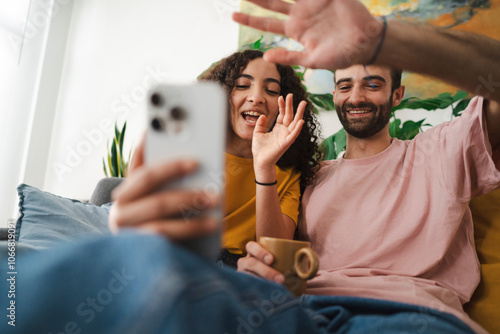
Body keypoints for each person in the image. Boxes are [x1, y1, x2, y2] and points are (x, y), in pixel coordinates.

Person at [4, 0, 500, 333]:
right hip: (291, 309)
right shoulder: (314, 179)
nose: (356, 95)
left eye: (373, 82)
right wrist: (264, 268)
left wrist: (382, 38)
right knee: (132, 271)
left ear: (397, 95)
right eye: (345, 83)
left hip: (402, 315)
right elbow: (282, 262)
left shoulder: (443, 149)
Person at [112, 50, 322, 267]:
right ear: (223, 95)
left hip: (234, 269)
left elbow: (275, 256)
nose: (256, 97)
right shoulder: (190, 153)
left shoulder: (287, 174)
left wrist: (264, 166)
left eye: (271, 90)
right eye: (242, 85)